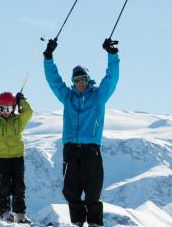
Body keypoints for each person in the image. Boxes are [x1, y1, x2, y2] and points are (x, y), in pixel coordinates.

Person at [43, 38, 120, 227]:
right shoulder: (67, 96)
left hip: (90, 148)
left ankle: (94, 223)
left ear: (87, 79)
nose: (80, 83)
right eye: (76, 80)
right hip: (70, 147)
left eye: (83, 79)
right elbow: (54, 81)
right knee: (71, 189)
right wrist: (48, 58)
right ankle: (77, 222)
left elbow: (111, 78)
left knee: (93, 188)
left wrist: (112, 55)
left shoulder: (98, 96)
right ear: (73, 82)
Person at [0, 91, 33, 223]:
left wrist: (21, 100)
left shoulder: (18, 121)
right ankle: (4, 213)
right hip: (2, 158)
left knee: (19, 186)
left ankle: (20, 214)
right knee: (3, 186)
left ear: (13, 108)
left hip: (17, 157)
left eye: (8, 108)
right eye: (1, 108)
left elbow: (28, 112)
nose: (4, 112)